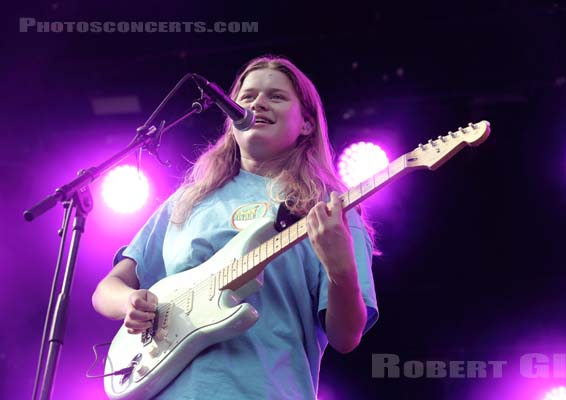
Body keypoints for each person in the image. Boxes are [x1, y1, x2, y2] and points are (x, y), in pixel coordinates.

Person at [92, 55, 378, 399]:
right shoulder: (188, 201)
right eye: (247, 96)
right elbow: (108, 288)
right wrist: (129, 303)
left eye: (276, 96)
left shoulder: (328, 209)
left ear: (306, 124)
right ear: (231, 118)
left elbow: (346, 337)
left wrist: (341, 270)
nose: (258, 102)